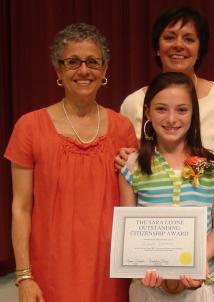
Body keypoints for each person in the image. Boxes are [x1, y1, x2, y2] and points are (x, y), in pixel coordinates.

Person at [4, 23, 137, 302]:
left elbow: (133, 202)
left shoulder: (122, 128)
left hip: (109, 268)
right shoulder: (29, 127)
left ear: (104, 70)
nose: (83, 70)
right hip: (50, 269)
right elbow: (20, 207)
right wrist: (24, 275)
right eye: (73, 62)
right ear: (58, 70)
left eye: (92, 62)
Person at [119, 72, 214, 301]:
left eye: (182, 109)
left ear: (193, 112)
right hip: (147, 287)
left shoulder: (209, 163)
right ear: (147, 112)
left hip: (198, 286)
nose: (171, 118)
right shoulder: (134, 164)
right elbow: (128, 232)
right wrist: (144, 264)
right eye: (161, 109)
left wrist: (195, 262)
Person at [119, 6, 214, 151]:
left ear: (200, 50)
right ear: (157, 48)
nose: (178, 45)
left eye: (189, 39)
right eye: (169, 38)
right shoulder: (133, 103)